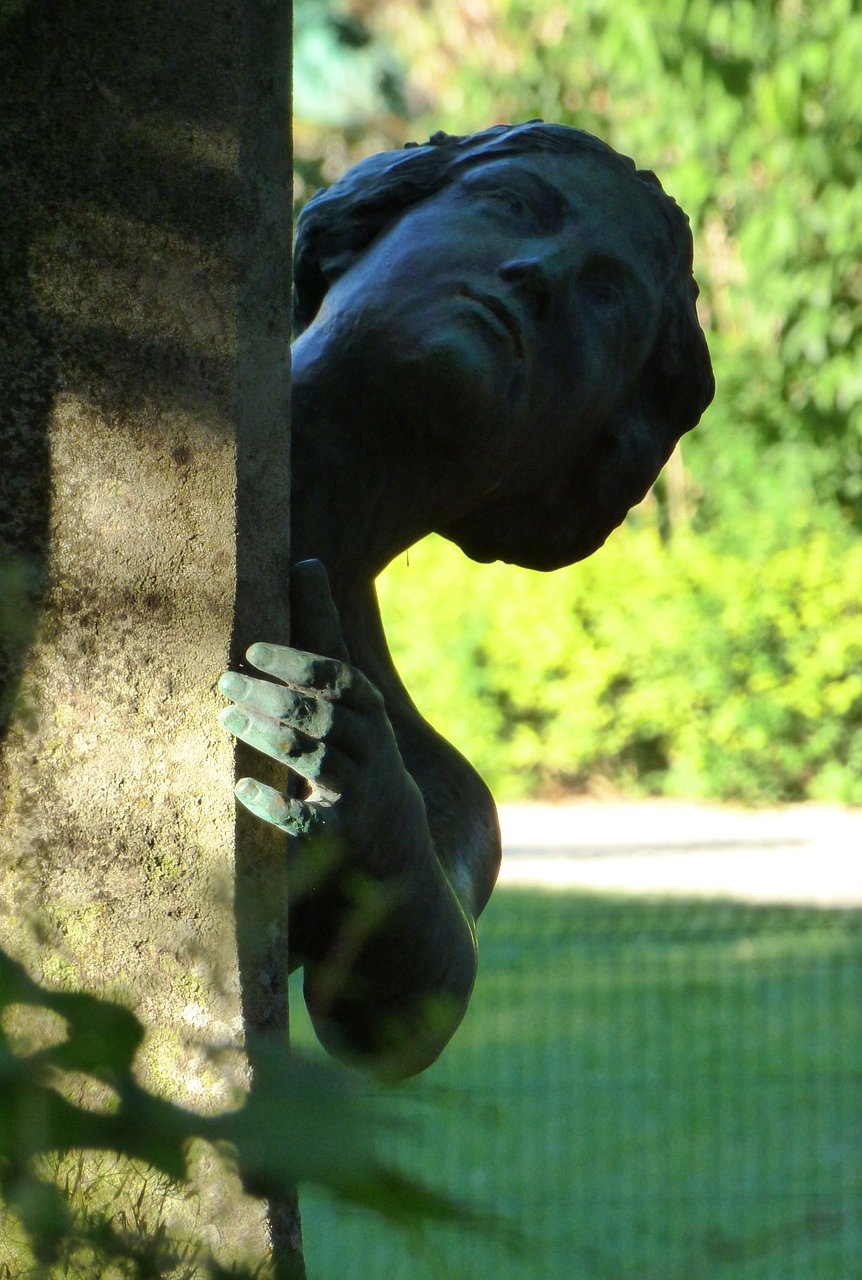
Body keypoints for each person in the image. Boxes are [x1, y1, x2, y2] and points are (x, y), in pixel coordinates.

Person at [218, 121, 714, 1079]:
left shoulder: (413, 781)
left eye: (600, 309)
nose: (537, 271)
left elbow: (396, 1020)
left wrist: (387, 842)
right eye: (509, 210)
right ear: (360, 237)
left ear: (567, 463)